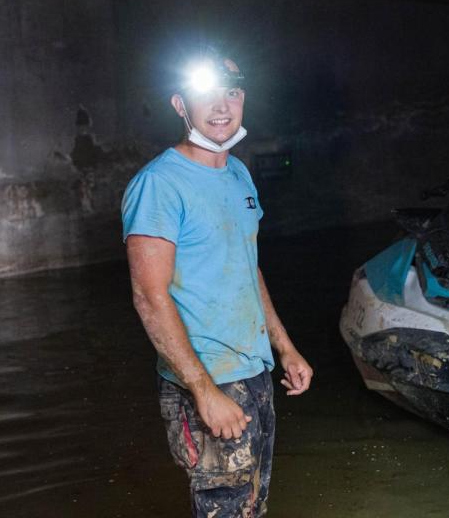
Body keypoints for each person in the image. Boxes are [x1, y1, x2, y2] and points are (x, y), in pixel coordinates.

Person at [122, 45, 313, 518]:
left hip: (254, 373)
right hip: (207, 382)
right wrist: (203, 390)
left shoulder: (238, 173)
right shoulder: (160, 184)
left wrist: (284, 347)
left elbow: (248, 267)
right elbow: (149, 296)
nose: (222, 107)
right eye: (207, 95)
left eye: (232, 93)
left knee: (251, 507)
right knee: (223, 510)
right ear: (180, 104)